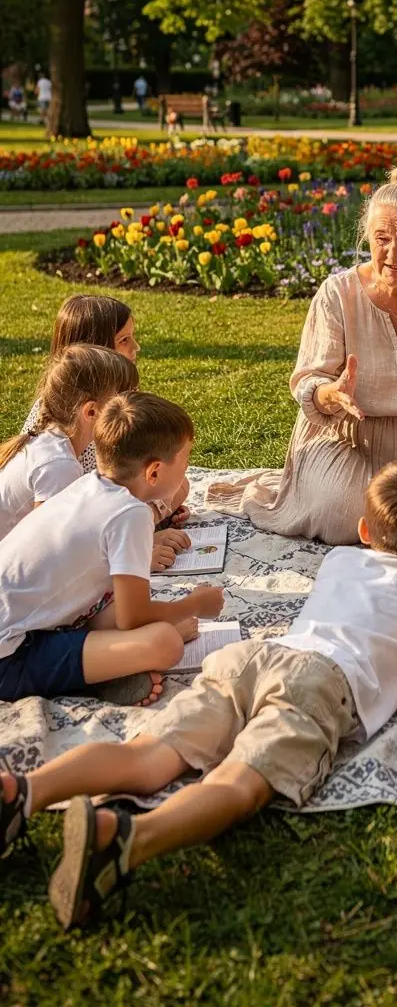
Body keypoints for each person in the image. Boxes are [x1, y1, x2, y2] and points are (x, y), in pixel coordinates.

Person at [0, 460, 397, 928]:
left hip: (257, 658)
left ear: (363, 530)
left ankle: (23, 792)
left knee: (147, 756)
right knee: (236, 785)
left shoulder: (341, 558)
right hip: (321, 684)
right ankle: (125, 838)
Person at [207, 160, 397, 545]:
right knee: (343, 511)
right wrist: (330, 394)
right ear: (366, 236)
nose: (392, 253)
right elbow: (311, 380)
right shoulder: (336, 293)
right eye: (381, 238)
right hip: (345, 437)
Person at [0, 392, 223, 708]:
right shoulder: (131, 514)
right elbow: (135, 617)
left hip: (24, 623)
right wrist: (193, 605)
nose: (187, 470)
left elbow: (117, 605)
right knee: (165, 642)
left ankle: (102, 660)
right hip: (11, 656)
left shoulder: (89, 484)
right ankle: (104, 675)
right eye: (185, 461)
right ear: (154, 472)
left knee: (116, 612)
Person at [22, 294, 190, 566]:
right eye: (124, 340)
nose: (136, 347)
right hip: (63, 542)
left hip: (95, 512)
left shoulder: (95, 408)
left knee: (177, 483)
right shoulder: (56, 456)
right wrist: (138, 548)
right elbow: (54, 545)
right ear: (95, 351)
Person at [0, 346, 138, 542]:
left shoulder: (51, 439)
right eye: (127, 401)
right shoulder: (58, 464)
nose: (135, 409)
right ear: (91, 412)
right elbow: (49, 547)